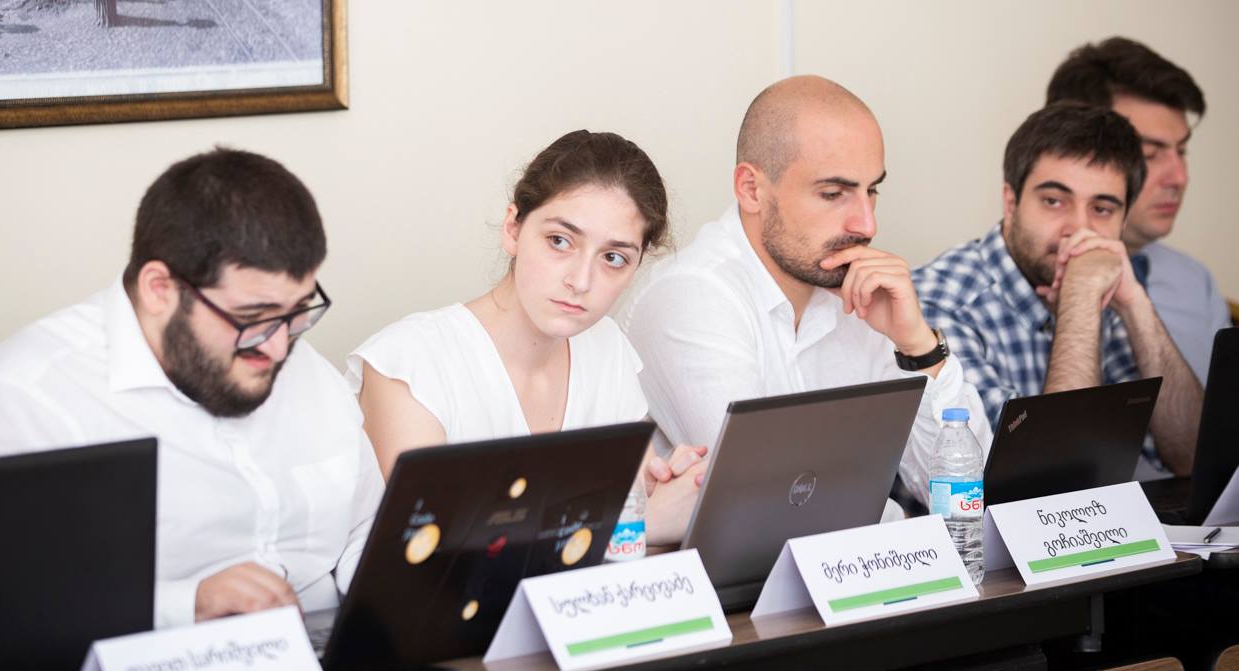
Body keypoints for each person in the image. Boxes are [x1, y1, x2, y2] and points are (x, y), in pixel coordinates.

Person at [0, 148, 383, 628]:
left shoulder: (307, 370)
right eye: (252, 318)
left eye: (297, 312)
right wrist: (182, 606)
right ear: (159, 289)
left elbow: (365, 528)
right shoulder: (19, 401)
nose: (279, 349)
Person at [619, 76, 990, 510]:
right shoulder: (690, 296)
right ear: (752, 189)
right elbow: (774, 500)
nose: (866, 225)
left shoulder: (860, 292)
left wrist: (919, 348)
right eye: (833, 194)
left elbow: (970, 497)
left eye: (871, 190)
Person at [348, 130, 705, 547]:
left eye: (613, 258)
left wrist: (668, 490)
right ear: (513, 229)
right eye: (560, 241)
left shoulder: (607, 349)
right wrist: (637, 525)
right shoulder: (408, 363)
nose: (581, 280)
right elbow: (439, 553)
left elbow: (639, 534)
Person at [913, 103, 1204, 478]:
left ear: (1123, 221)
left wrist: (1135, 305)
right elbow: (1047, 487)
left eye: (1102, 209)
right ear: (1011, 202)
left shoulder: (1104, 283)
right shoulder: (940, 303)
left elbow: (1192, 457)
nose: (1078, 229)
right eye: (1054, 201)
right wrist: (1079, 301)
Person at [1047, 37, 1229, 384]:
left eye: (1182, 151)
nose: (1179, 177)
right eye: (1149, 155)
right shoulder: (993, 294)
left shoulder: (1195, 282)